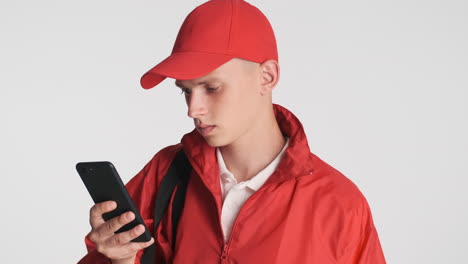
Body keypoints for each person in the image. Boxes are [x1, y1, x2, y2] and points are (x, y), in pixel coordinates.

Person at [78, 0, 387, 263]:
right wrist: (117, 260)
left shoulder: (340, 205)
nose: (193, 109)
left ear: (266, 76)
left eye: (211, 88)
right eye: (185, 91)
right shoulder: (166, 174)